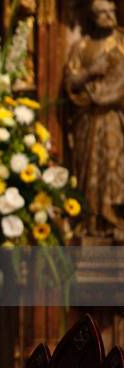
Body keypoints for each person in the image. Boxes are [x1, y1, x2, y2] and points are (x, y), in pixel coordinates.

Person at [64, 0, 124, 241]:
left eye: (112, 11)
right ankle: (90, 222)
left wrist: (105, 95)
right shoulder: (82, 46)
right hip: (87, 120)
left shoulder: (121, 43)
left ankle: (115, 221)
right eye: (102, 13)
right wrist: (91, 72)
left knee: (113, 167)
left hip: (113, 118)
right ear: (91, 16)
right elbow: (71, 82)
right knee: (89, 171)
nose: (109, 17)